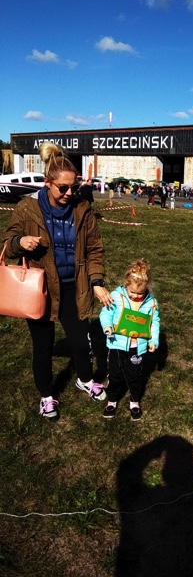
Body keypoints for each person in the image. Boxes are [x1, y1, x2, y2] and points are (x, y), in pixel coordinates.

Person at [3, 142, 113, 421]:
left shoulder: (82, 209)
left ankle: (85, 380)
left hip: (73, 286)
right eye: (62, 188)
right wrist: (20, 242)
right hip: (39, 288)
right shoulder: (27, 209)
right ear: (47, 182)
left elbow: (94, 249)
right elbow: (6, 243)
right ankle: (46, 395)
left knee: (81, 342)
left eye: (73, 187)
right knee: (43, 346)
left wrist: (96, 280)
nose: (68, 193)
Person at [100, 259, 160, 420]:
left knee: (135, 376)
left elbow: (154, 322)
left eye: (140, 293)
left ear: (147, 287)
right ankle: (112, 399)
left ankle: (134, 401)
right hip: (116, 345)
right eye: (132, 292)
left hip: (136, 347)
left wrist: (153, 340)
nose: (135, 296)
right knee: (114, 374)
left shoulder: (151, 302)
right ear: (126, 284)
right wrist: (107, 326)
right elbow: (106, 313)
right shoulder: (116, 296)